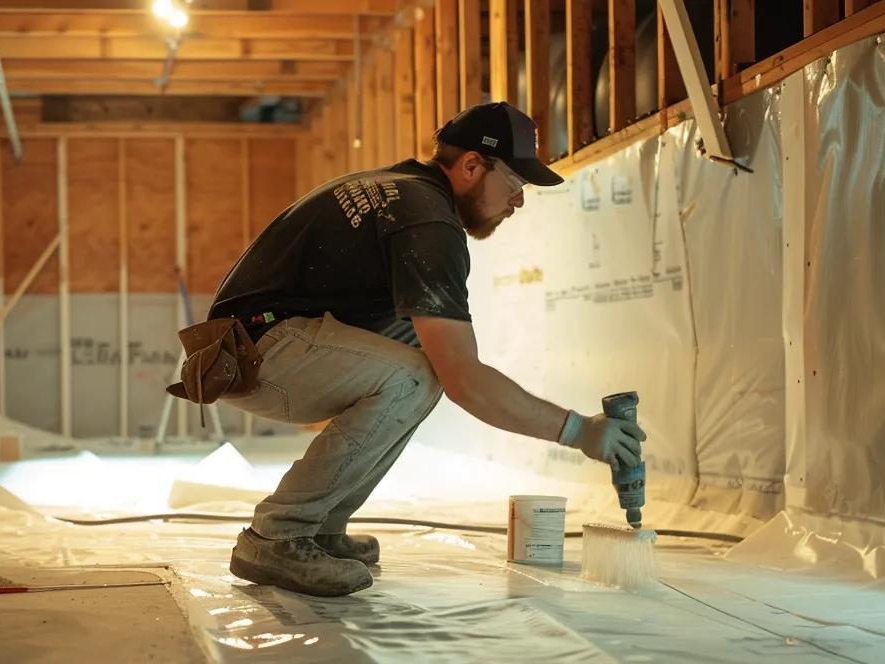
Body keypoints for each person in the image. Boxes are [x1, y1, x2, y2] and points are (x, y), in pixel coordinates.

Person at [204, 101, 646, 597]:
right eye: (514, 184)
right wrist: (580, 431)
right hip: (250, 352)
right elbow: (466, 380)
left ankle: (321, 527)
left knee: (423, 367)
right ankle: (278, 535)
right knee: (415, 376)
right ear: (472, 166)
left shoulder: (404, 194)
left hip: (247, 346)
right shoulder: (427, 221)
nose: (518, 201)